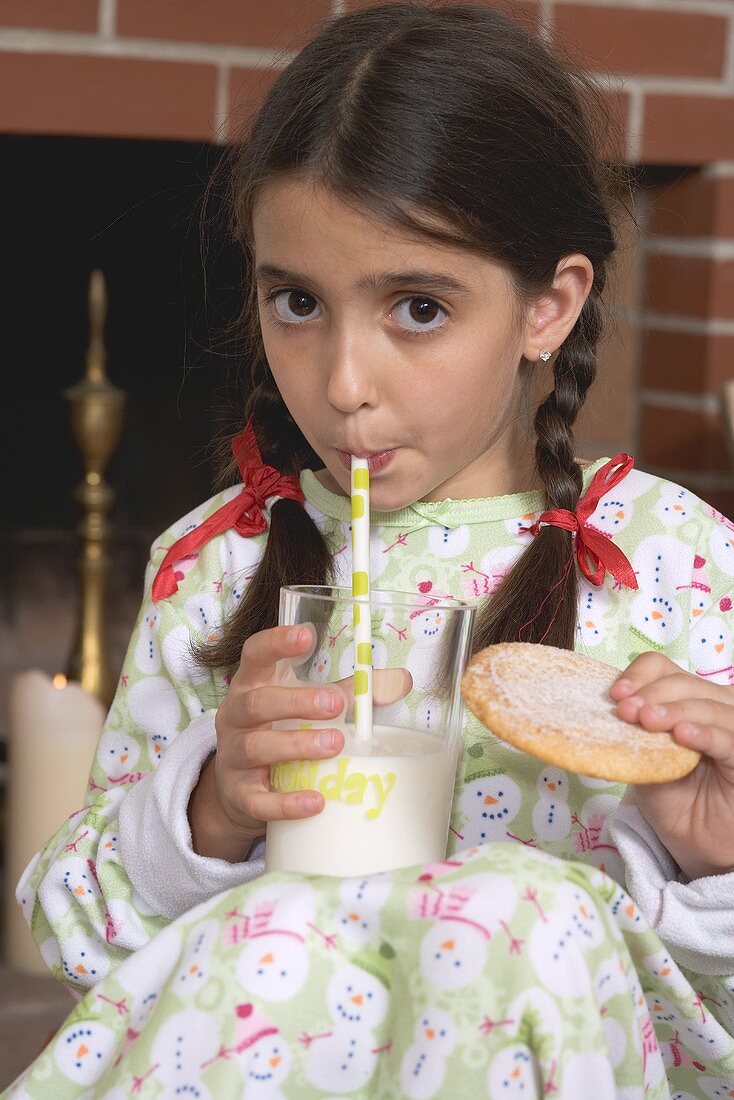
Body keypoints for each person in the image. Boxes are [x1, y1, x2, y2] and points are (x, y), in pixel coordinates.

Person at [6, 2, 734, 1096]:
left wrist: (709, 856)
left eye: (417, 308)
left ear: (547, 305)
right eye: (296, 301)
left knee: (514, 903)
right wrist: (207, 806)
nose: (343, 381)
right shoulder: (216, 565)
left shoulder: (671, 563)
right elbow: (79, 943)